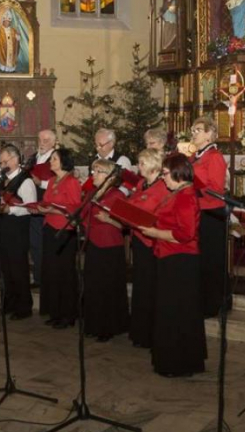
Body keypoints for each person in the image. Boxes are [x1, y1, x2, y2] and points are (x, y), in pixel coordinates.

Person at [139, 154, 205, 377]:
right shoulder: (175, 192)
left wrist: (155, 232)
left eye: (165, 173)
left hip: (181, 260)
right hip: (169, 256)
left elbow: (186, 234)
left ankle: (179, 362)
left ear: (178, 172)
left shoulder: (185, 195)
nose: (162, 177)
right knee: (171, 310)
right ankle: (172, 359)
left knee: (177, 311)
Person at [0, 145, 36, 319]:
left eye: (4, 161)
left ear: (15, 160)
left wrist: (10, 210)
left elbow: (30, 208)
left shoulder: (25, 181)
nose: (1, 165)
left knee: (18, 269)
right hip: (3, 227)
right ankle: (8, 304)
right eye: (0, 162)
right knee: (5, 269)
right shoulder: (4, 179)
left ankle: (23, 308)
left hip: (17, 230)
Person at [125, 149, 169, 348]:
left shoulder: (163, 186)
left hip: (153, 241)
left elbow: (161, 211)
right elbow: (131, 203)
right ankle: (139, 332)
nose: (138, 167)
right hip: (138, 238)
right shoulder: (141, 184)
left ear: (152, 164)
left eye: (141, 163)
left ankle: (151, 333)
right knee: (140, 285)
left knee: (151, 286)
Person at [189, 116, 229, 318]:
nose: (193, 134)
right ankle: (203, 299)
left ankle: (215, 303)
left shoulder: (214, 157)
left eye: (197, 130)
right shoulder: (194, 156)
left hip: (212, 212)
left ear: (209, 133)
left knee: (212, 260)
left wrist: (192, 183)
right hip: (197, 212)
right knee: (201, 259)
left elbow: (216, 189)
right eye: (193, 130)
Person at [37, 148, 81, 329]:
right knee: (52, 272)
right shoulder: (52, 181)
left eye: (54, 158)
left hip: (64, 231)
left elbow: (74, 208)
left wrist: (51, 210)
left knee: (65, 273)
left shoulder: (71, 182)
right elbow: (47, 202)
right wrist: (38, 208)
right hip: (49, 229)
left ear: (64, 161)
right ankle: (55, 312)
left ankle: (68, 314)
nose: (51, 162)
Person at [87, 159, 129, 342]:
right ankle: (94, 324)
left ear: (109, 177)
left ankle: (109, 326)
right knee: (94, 286)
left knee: (108, 287)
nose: (93, 175)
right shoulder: (93, 193)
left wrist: (108, 219)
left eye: (97, 171)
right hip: (93, 243)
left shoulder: (117, 195)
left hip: (110, 246)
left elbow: (125, 224)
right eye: (93, 171)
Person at [28, 129, 57, 288]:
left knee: (45, 243)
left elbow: (61, 180)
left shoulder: (56, 158)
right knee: (35, 243)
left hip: (48, 204)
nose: (42, 143)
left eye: (46, 140)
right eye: (40, 140)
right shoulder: (34, 157)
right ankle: (38, 277)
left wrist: (41, 183)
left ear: (53, 142)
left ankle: (46, 277)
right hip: (33, 203)